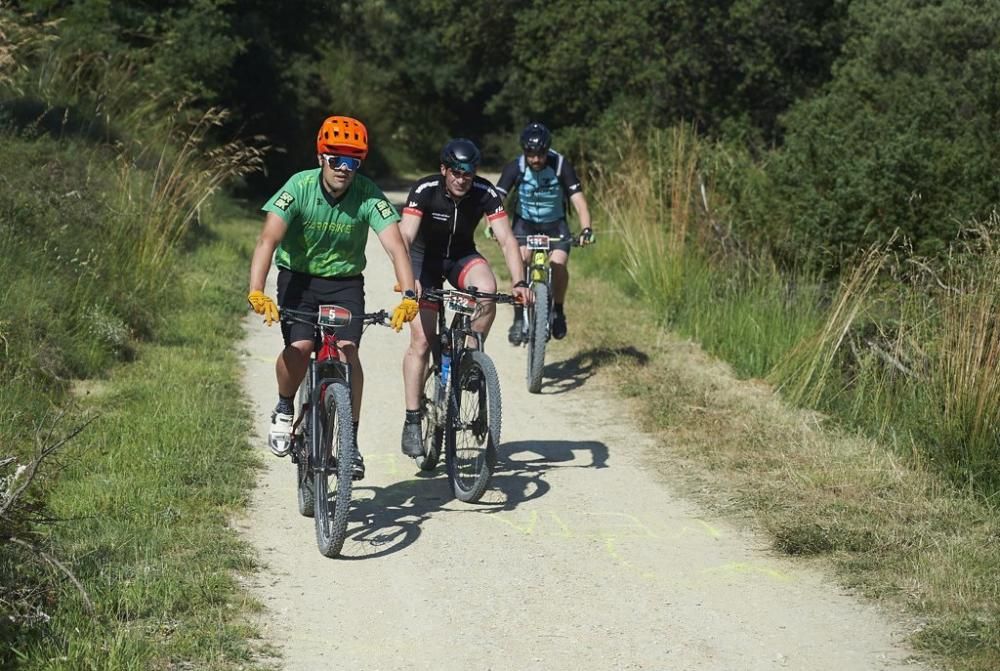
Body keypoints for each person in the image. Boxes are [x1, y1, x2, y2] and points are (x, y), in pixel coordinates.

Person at [247, 115, 418, 479]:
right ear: (321, 156)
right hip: (299, 279)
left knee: (347, 352)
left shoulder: (367, 193)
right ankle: (283, 407)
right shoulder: (299, 186)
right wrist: (257, 291)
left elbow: (396, 246)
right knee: (301, 346)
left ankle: (350, 441)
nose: (344, 167)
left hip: (343, 282)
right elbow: (268, 240)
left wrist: (408, 294)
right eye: (336, 158)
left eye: (353, 160)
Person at [397, 138, 532, 457]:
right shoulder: (425, 189)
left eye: (468, 174)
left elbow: (507, 240)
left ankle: (469, 359)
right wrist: (408, 281)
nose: (462, 179)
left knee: (486, 290)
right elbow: (405, 236)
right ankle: (413, 420)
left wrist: (519, 282)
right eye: (456, 172)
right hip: (423, 260)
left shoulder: (484, 193)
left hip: (460, 256)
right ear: (444, 170)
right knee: (420, 343)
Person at [495, 121, 595, 344]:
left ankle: (558, 310)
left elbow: (578, 201)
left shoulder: (560, 165)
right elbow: (497, 199)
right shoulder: (515, 167)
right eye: (531, 154)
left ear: (546, 150)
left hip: (555, 224)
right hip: (525, 223)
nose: (536, 160)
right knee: (520, 260)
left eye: (540, 154)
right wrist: (492, 226)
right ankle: (519, 318)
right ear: (524, 151)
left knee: (558, 264)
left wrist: (586, 228)